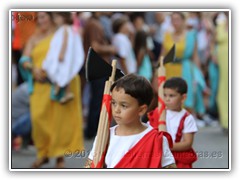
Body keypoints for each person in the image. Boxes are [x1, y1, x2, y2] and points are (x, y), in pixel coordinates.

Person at [18, 12, 84, 168]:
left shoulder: (62, 33)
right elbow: (24, 59)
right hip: (40, 84)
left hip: (62, 83)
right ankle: (44, 153)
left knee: (62, 122)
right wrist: (33, 68)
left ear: (52, 17)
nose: (41, 21)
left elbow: (72, 55)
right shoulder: (34, 38)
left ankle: (60, 157)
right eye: (39, 18)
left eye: (44, 16)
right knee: (39, 119)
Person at [85, 74, 176, 168]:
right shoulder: (104, 136)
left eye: (123, 105)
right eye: (113, 103)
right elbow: (90, 166)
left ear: (141, 110)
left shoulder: (156, 140)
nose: (116, 110)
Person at [161, 12, 209, 125]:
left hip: (185, 68)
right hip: (169, 68)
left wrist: (198, 73)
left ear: (183, 20)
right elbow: (162, 55)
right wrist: (158, 71)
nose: (175, 22)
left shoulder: (191, 35)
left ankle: (186, 122)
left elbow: (195, 56)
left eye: (177, 19)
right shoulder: (167, 34)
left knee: (186, 94)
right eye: (172, 20)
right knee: (168, 95)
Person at [148, 77, 198, 168]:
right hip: (160, 156)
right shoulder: (157, 112)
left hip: (179, 159)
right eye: (165, 95)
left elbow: (187, 143)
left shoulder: (187, 118)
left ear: (183, 98)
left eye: (171, 96)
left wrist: (166, 147)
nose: (167, 99)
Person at [42, 12, 84, 104]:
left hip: (63, 56)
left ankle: (59, 90)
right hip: (64, 57)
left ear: (63, 18)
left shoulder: (65, 29)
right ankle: (65, 92)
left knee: (62, 72)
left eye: (57, 17)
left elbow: (65, 42)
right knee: (64, 72)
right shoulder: (66, 29)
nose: (55, 20)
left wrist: (62, 53)